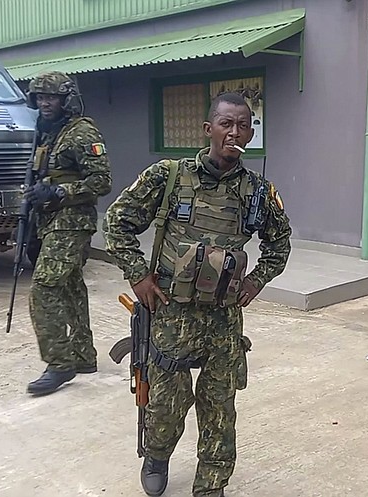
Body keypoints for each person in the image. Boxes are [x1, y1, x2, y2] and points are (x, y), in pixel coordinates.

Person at [103, 92, 292, 497]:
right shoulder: (169, 176)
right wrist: (138, 276)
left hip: (224, 320)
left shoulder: (257, 192)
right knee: (167, 405)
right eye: (227, 123)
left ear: (251, 132)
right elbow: (117, 222)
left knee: (219, 408)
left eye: (244, 125)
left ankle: (211, 485)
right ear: (209, 129)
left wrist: (256, 280)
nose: (235, 132)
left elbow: (280, 243)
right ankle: (156, 456)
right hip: (171, 311)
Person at [23, 71, 112, 396]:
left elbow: (102, 181)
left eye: (52, 97)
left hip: (72, 221)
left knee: (45, 288)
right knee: (72, 286)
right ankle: (83, 356)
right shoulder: (48, 134)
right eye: (40, 97)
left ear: (66, 99)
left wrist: (60, 193)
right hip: (50, 221)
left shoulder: (81, 132)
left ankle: (60, 364)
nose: (45, 103)